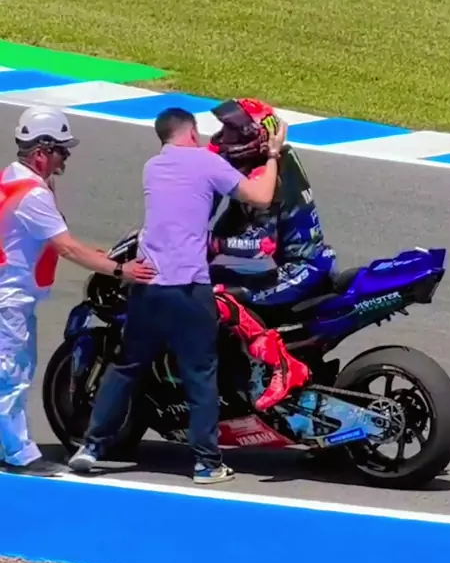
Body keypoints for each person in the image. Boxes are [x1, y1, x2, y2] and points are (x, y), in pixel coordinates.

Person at [68, 106, 287, 484]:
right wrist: (272, 153)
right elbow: (262, 197)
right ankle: (206, 464)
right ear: (192, 132)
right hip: (189, 289)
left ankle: (90, 446)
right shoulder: (205, 163)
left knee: (126, 368)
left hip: (149, 288)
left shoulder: (152, 167)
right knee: (200, 375)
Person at [0, 106, 155, 478]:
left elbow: (53, 240)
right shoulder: (34, 195)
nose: (65, 157)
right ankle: (19, 454)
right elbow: (66, 247)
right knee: (12, 375)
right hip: (11, 299)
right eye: (61, 150)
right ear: (42, 151)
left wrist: (97, 256)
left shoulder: (14, 178)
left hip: (12, 295)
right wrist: (120, 269)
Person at [207, 98, 338, 410]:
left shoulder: (265, 177)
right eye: (225, 128)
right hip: (305, 263)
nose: (224, 136)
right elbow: (231, 218)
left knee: (217, 296)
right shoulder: (269, 162)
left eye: (233, 131)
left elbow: (261, 245)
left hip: (301, 270)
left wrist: (213, 245)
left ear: (257, 137)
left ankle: (281, 367)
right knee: (207, 276)